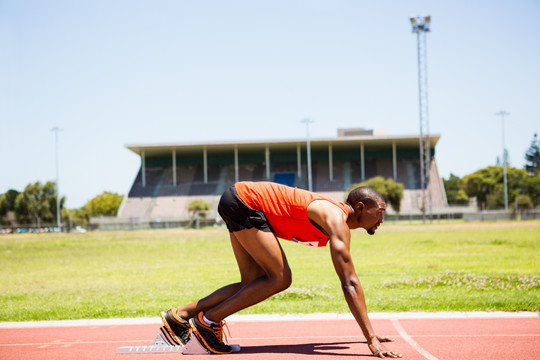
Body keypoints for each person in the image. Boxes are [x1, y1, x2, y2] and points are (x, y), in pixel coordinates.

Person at [161, 181, 402, 358]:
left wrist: (370, 335)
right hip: (245, 201)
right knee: (280, 278)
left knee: (252, 282)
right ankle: (208, 322)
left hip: (239, 200)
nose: (381, 219)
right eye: (379, 213)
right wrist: (371, 339)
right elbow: (349, 282)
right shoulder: (336, 219)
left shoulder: (335, 216)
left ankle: (180, 316)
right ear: (360, 207)